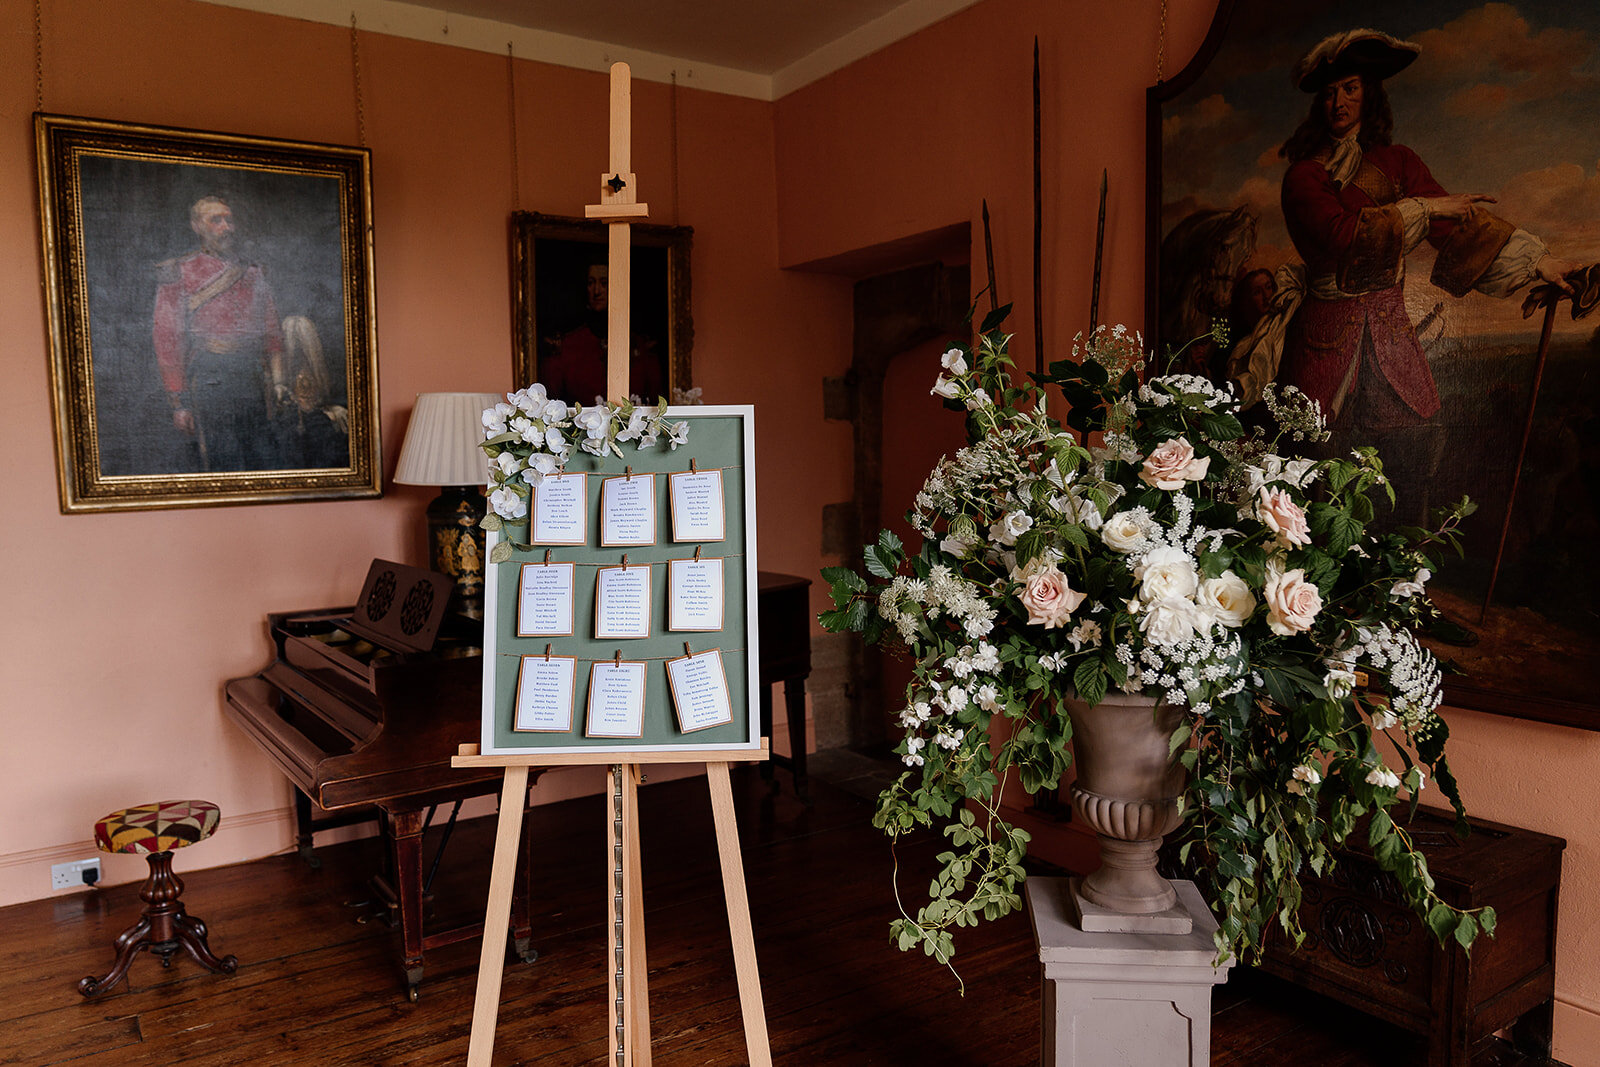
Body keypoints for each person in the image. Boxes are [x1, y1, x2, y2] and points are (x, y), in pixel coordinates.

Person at [1275, 29, 1578, 458]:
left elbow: (1455, 231)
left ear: (1370, 94)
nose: (1338, 103)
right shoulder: (1305, 177)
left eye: (1350, 89)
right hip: (1324, 344)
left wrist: (1537, 261)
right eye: (1328, 94)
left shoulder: (1399, 162)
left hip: (1391, 340)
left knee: (1410, 458)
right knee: (1311, 459)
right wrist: (1424, 208)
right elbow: (1344, 237)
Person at [153, 196, 287, 472]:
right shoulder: (179, 271)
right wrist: (179, 402)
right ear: (196, 226)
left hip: (253, 376)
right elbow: (168, 340)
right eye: (216, 220)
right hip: (210, 377)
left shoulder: (253, 271)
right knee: (222, 459)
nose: (226, 227)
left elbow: (272, 332)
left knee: (262, 458)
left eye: (228, 219)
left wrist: (278, 381)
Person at [539, 261, 664, 405]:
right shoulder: (568, 345)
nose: (597, 291)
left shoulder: (641, 346)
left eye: (604, 283)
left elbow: (655, 400)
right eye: (591, 283)